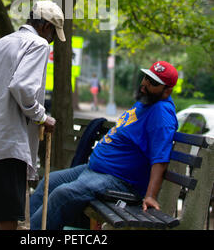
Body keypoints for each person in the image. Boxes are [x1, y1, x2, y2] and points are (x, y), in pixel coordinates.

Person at [30, 61, 179, 230]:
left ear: (167, 91)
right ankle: (27, 227)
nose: (144, 84)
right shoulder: (146, 102)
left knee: (62, 194)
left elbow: (160, 159)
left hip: (120, 182)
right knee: (50, 181)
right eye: (146, 77)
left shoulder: (161, 113)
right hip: (95, 171)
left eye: (153, 83)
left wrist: (151, 195)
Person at [0, 0, 65, 230]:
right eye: (53, 35)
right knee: (7, 214)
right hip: (7, 142)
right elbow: (23, 88)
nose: (52, 41)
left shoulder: (2, 42)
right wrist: (42, 117)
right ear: (46, 27)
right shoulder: (38, 44)